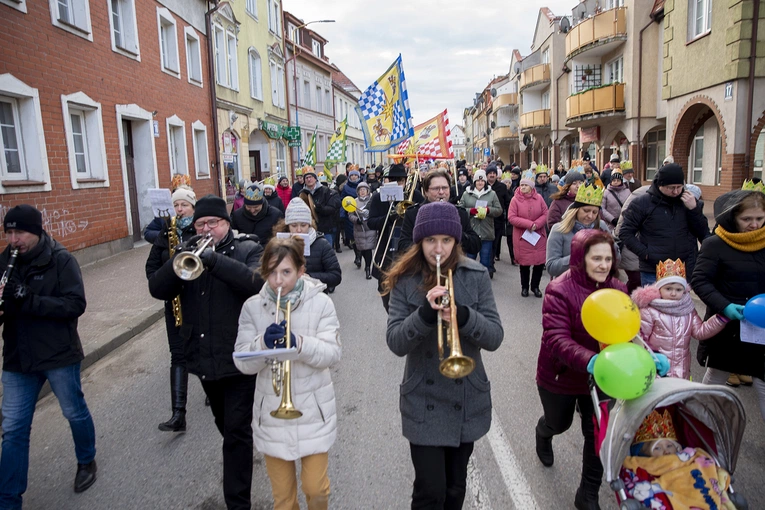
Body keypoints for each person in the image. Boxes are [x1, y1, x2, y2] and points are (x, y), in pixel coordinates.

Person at [383, 201, 503, 509]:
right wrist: (424, 313)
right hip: (423, 398)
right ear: (419, 241)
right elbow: (396, 343)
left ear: (456, 242)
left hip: (466, 397)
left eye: (446, 240)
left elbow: (494, 337)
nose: (438, 249)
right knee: (429, 492)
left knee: (454, 488)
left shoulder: (475, 275)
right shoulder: (403, 279)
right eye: (430, 240)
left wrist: (463, 316)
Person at [148, 195, 264, 509]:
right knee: (226, 425)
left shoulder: (248, 248)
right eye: (201, 224)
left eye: (213, 222)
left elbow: (257, 283)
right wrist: (177, 261)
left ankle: (238, 503)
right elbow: (157, 289)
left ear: (227, 223)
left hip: (240, 357)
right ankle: (241, 451)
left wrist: (214, 261)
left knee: (236, 432)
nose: (207, 228)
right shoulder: (187, 252)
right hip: (203, 360)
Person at [0, 205, 97, 506]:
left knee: (73, 411)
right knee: (13, 428)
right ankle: (8, 498)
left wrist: (28, 299)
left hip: (58, 354)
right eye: (10, 232)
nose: (14, 239)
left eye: (20, 232)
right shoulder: (4, 261)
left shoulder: (60, 259)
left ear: (37, 231)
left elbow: (74, 305)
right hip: (18, 356)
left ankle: (86, 460)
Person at [234, 237, 340, 510]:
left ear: (301, 270)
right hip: (271, 415)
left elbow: (332, 353)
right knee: (282, 499)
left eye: (286, 272)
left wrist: (300, 343)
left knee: (316, 490)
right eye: (271, 273)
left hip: (312, 413)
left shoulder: (322, 304)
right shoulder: (252, 307)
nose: (278, 281)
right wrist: (261, 344)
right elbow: (243, 362)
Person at [535, 230, 628, 510]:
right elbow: (556, 337)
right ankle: (544, 432)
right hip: (561, 374)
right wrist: (589, 360)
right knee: (559, 423)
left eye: (608, 259)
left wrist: (645, 351)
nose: (603, 265)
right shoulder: (559, 289)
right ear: (580, 258)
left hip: (603, 376)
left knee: (597, 434)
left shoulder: (619, 289)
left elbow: (628, 330)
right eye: (596, 258)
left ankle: (587, 494)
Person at [692, 187, 765, 420]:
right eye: (747, 219)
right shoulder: (716, 244)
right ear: (734, 217)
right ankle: (700, 426)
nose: (754, 225)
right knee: (716, 376)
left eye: (760, 219)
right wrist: (725, 306)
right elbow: (700, 280)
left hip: (761, 327)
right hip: (727, 326)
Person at [145, 186, 198, 432]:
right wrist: (165, 280)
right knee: (177, 355)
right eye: (176, 205)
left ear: (193, 207)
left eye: (183, 205)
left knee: (203, 350)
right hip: (174, 302)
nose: (179, 209)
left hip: (199, 300)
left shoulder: (201, 229)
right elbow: (152, 267)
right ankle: (178, 414)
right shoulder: (166, 232)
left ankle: (216, 389)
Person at [631, 259, 727, 380]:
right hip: (658, 370)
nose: (673, 293)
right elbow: (641, 340)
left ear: (684, 290)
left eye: (678, 289)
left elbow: (699, 332)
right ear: (659, 289)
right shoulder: (650, 311)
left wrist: (720, 319)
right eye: (668, 288)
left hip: (682, 370)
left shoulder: (688, 310)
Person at [620, 163, 709, 285]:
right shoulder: (642, 203)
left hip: (681, 268)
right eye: (671, 188)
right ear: (660, 185)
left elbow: (703, 233)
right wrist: (645, 254)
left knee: (680, 304)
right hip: (653, 269)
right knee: (653, 303)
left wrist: (694, 210)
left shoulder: (689, 202)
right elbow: (625, 233)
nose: (676, 191)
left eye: (679, 187)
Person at [368, 164, 424, 312]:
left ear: (405, 181)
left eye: (400, 180)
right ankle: (392, 316)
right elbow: (371, 223)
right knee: (385, 293)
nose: (397, 183)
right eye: (392, 179)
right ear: (387, 180)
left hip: (408, 247)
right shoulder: (378, 197)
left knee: (410, 290)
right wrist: (388, 218)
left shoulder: (415, 196)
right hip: (386, 249)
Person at [398, 169, 481, 257]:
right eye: (436, 188)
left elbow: (475, 245)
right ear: (426, 191)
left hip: (453, 267)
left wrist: (457, 231)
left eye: (445, 188)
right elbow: (403, 246)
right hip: (422, 267)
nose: (441, 192)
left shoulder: (460, 213)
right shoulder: (413, 213)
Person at [273, 198, 342, 293]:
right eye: (293, 225)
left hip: (315, 298)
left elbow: (335, 276)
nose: (298, 230)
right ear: (287, 225)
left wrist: (310, 276)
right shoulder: (278, 243)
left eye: (303, 225)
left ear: (309, 225)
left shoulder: (322, 244)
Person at [546, 185, 609, 279]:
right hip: (568, 287)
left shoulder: (601, 226)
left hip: (597, 287)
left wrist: (612, 247)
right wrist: (579, 256)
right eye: (586, 211)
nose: (590, 216)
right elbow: (551, 267)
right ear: (576, 210)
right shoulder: (559, 230)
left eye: (595, 212)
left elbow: (617, 259)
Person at [508, 170, 549, 297]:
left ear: (531, 187)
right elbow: (512, 217)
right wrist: (529, 224)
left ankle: (535, 286)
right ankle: (524, 287)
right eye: (522, 185)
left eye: (526, 185)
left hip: (538, 235)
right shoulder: (515, 200)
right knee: (524, 264)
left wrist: (537, 224)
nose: (523, 187)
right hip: (522, 236)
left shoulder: (539, 198)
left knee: (539, 263)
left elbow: (545, 213)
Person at [458, 169, 502, 276]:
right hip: (471, 232)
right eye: (478, 180)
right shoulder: (466, 194)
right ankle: (469, 279)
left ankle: (483, 280)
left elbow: (499, 210)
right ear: (474, 182)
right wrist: (471, 211)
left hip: (486, 231)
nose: (480, 183)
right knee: (470, 260)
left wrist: (488, 210)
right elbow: (460, 210)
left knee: (485, 261)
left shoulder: (492, 194)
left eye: (482, 181)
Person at [300, 168, 341, 250]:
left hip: (325, 229)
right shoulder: (302, 193)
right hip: (309, 229)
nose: (309, 179)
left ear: (315, 179)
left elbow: (332, 208)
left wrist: (321, 209)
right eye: (306, 178)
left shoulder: (326, 191)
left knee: (327, 253)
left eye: (310, 177)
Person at [348, 182, 377, 279]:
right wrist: (356, 220)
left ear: (368, 191)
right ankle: (364, 261)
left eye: (364, 190)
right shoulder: (354, 202)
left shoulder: (372, 201)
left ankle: (368, 268)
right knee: (363, 249)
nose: (362, 192)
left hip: (370, 228)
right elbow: (350, 215)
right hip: (359, 229)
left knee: (368, 248)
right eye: (360, 190)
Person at [486, 165, 511, 265]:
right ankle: (489, 262)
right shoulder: (483, 186)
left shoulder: (502, 187)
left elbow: (507, 202)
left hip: (498, 219)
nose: (492, 175)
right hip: (485, 219)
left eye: (494, 173)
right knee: (488, 242)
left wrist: (508, 215)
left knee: (495, 241)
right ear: (486, 175)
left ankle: (491, 261)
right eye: (490, 173)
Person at [341, 169, 362, 266]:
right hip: (349, 215)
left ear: (358, 176)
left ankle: (361, 254)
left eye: (355, 175)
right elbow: (342, 200)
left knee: (361, 237)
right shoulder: (346, 187)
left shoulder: (362, 186)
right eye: (352, 175)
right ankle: (357, 255)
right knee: (352, 237)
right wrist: (342, 214)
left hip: (361, 213)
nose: (354, 177)